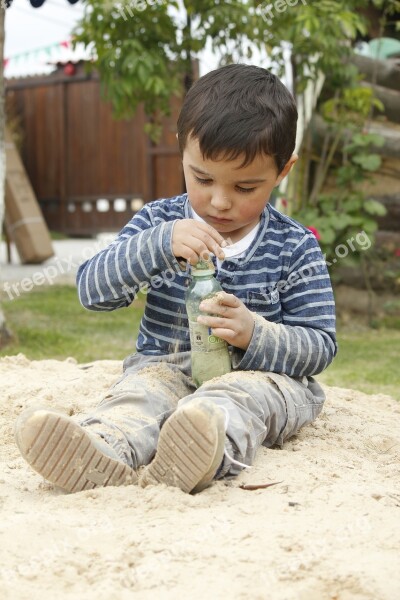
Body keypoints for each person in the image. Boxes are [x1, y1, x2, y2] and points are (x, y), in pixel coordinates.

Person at [14, 64, 337, 495]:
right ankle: (102, 448)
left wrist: (255, 333)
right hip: (165, 366)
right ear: (182, 150)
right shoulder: (158, 223)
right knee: (140, 397)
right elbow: (92, 291)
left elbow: (320, 345)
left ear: (283, 171)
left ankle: (203, 451)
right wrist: (157, 245)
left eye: (245, 188)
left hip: (259, 374)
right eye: (202, 178)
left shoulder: (294, 246)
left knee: (234, 402)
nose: (220, 202)